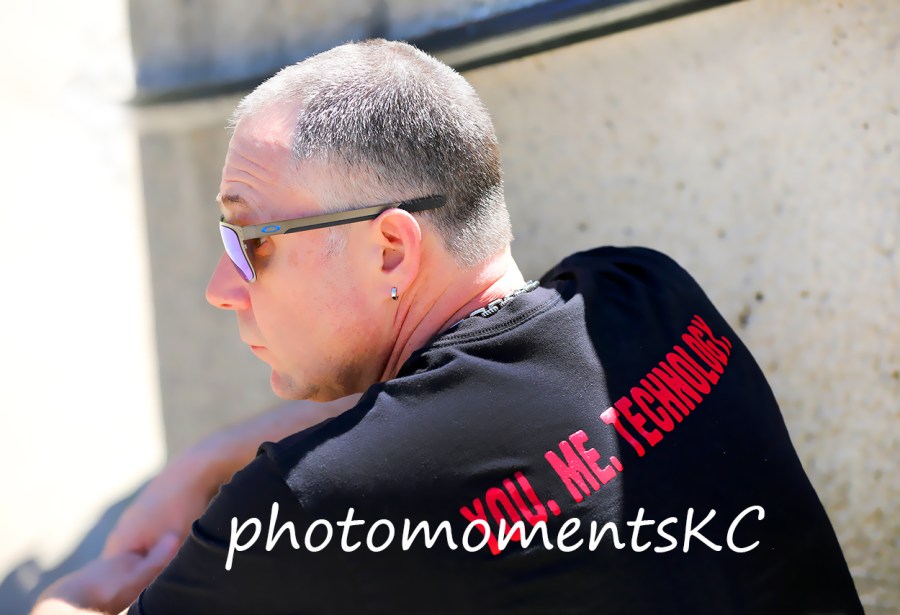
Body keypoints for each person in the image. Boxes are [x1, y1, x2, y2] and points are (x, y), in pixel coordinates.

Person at [32, 39, 863, 614]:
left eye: (251, 241)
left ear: (391, 249)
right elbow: (469, 417)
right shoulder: (646, 291)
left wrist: (74, 593)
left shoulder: (305, 510)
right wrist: (210, 458)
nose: (223, 288)